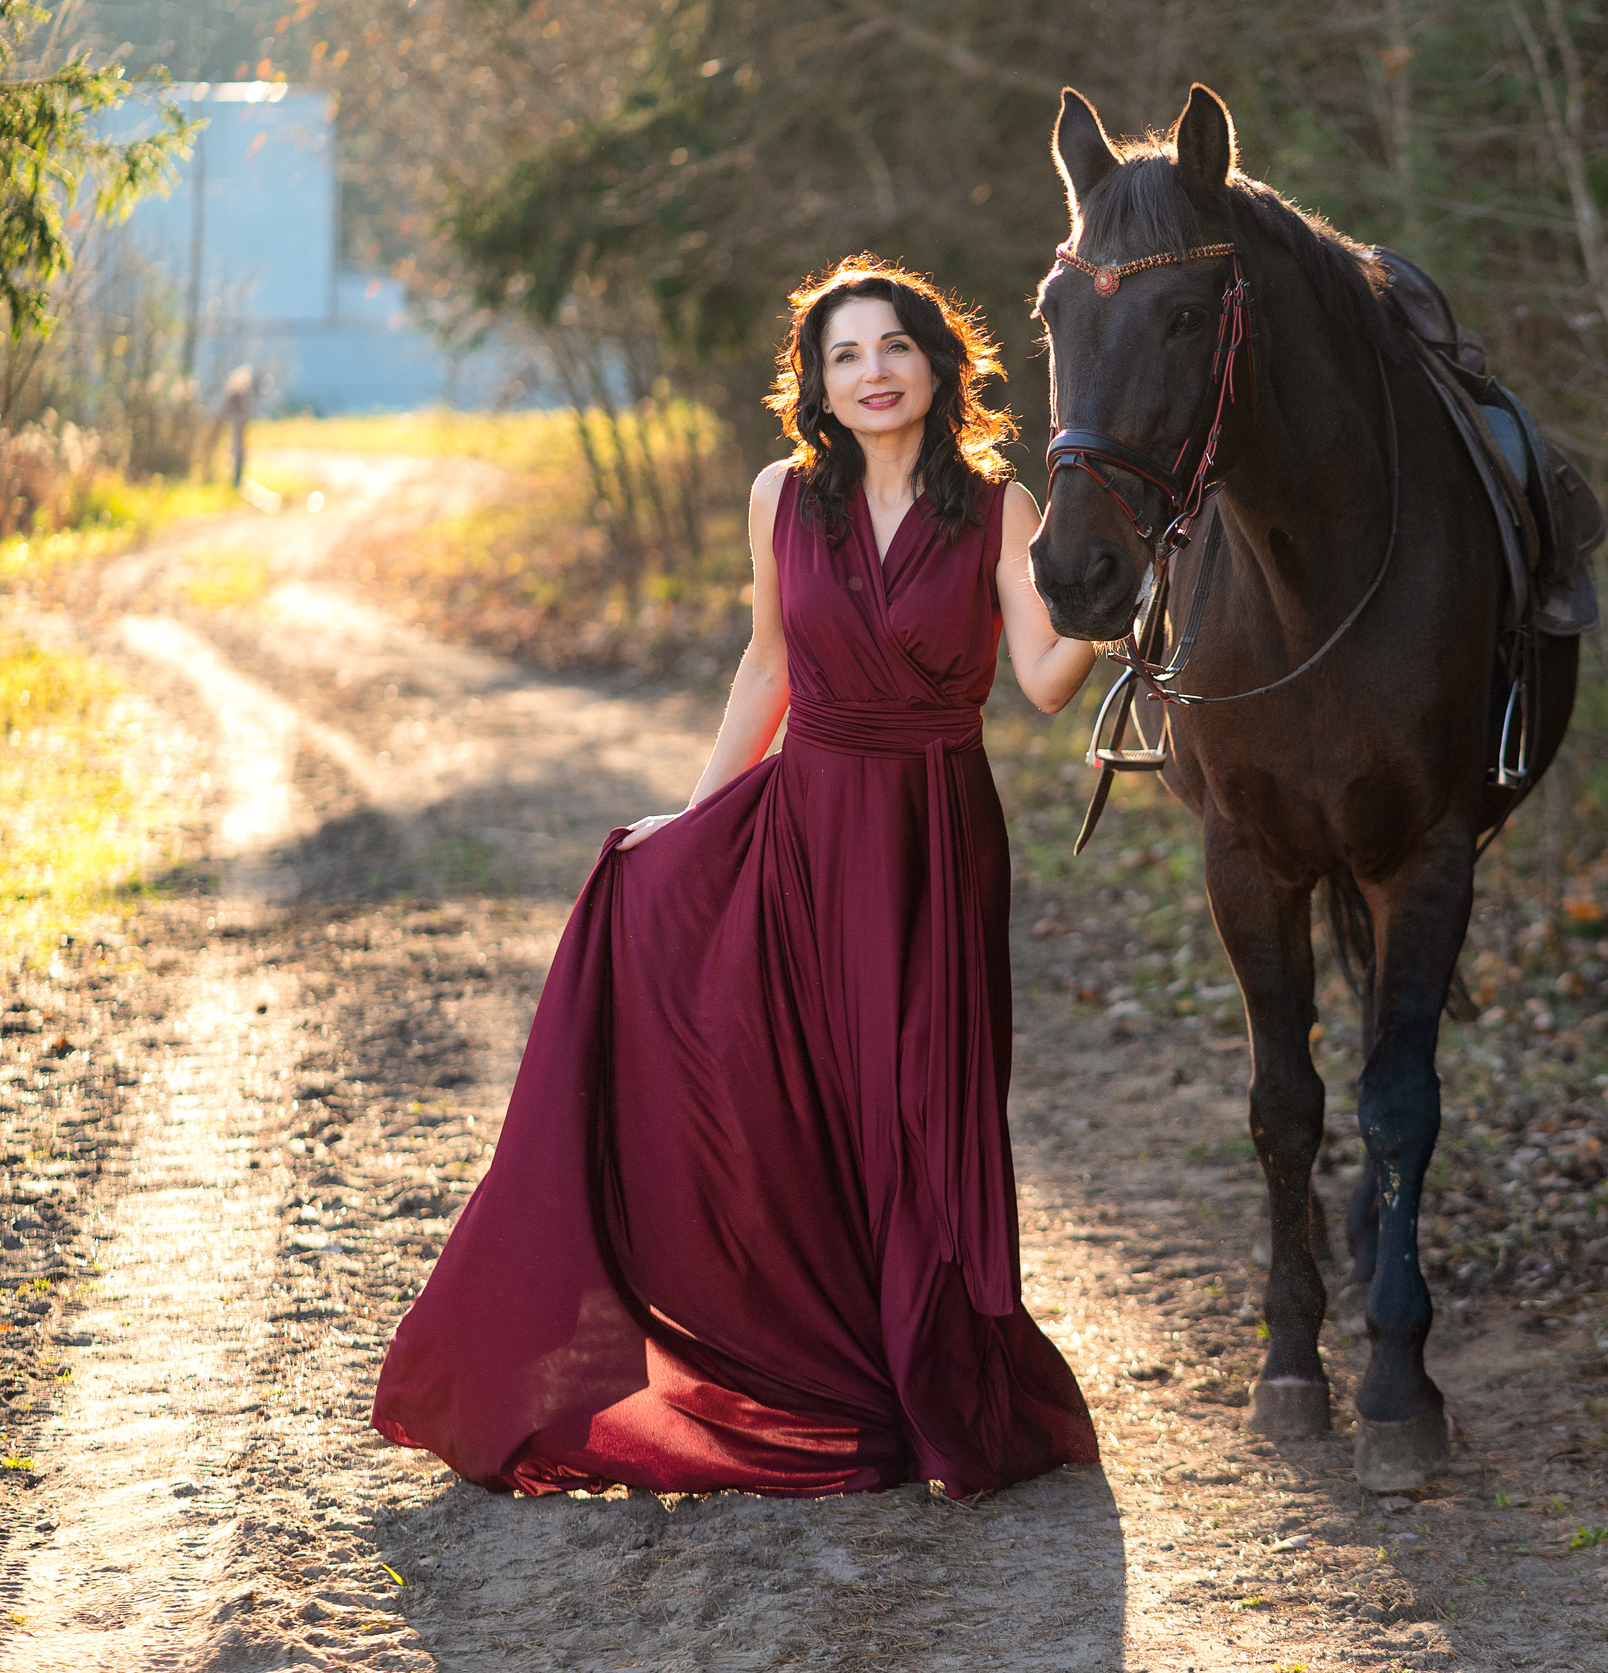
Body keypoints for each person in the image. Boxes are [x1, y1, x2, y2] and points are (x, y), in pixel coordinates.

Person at [371, 258, 1105, 1498]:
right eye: (845, 356)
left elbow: (1040, 679)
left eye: (893, 348)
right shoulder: (782, 498)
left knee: (922, 1107)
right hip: (806, 829)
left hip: (935, 838)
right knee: (803, 1104)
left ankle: (937, 1378)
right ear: (817, 383)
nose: (873, 374)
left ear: (937, 364)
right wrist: (701, 823)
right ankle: (842, 1376)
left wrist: (1115, 599)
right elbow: (767, 668)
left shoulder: (1000, 509)